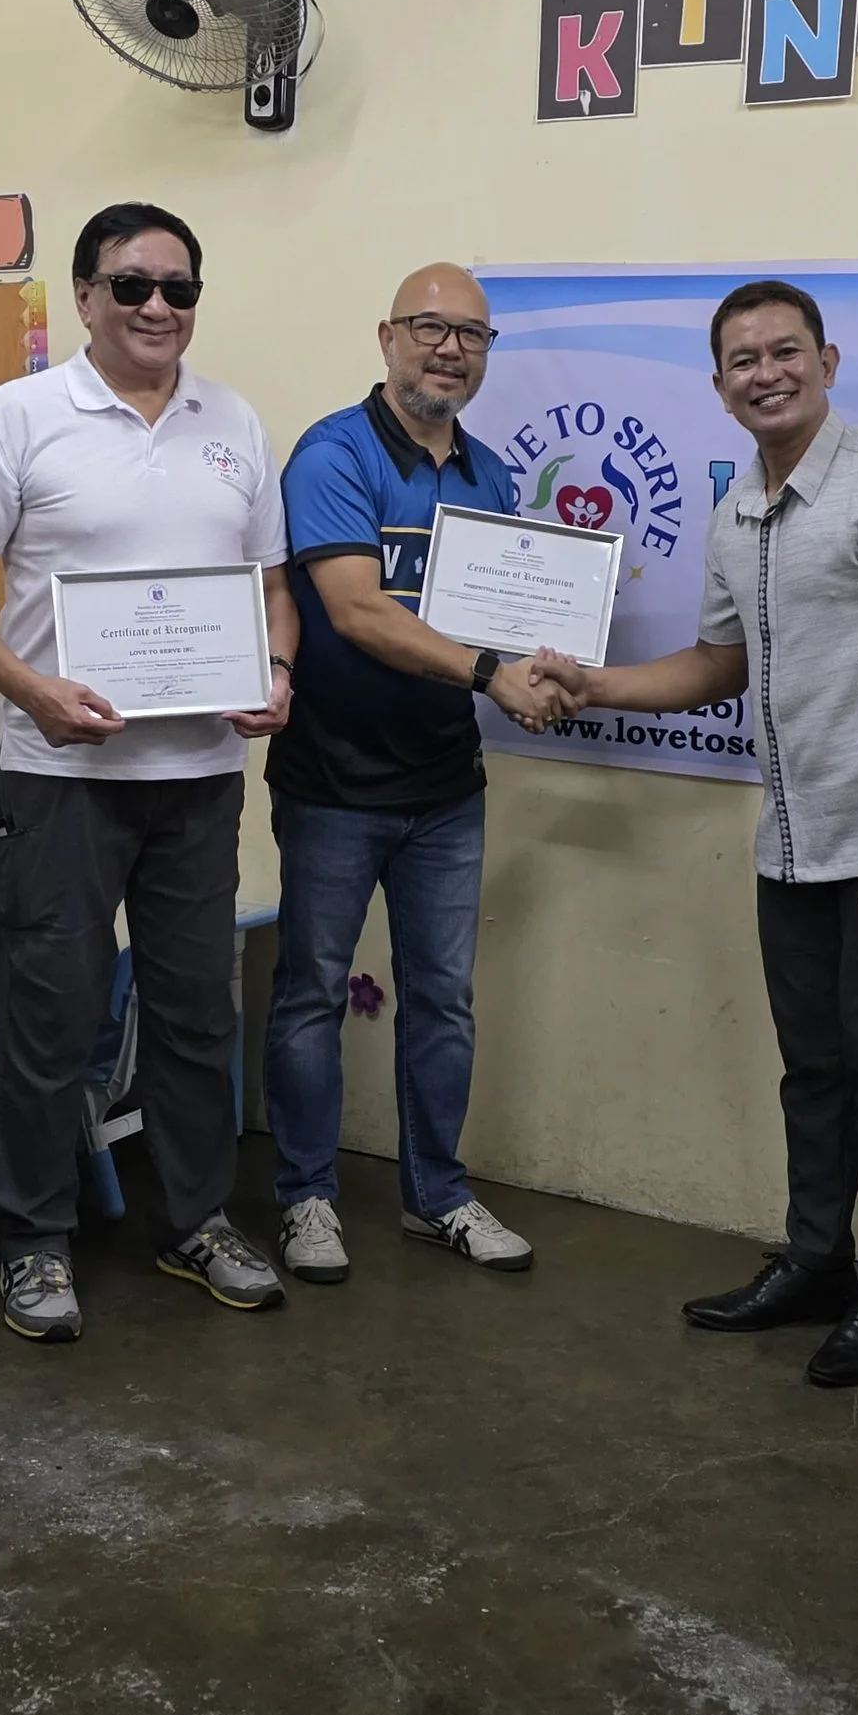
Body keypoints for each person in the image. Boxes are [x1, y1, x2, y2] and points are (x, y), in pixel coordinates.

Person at [544, 281, 858, 1388]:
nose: (764, 373)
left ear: (826, 362)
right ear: (718, 385)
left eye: (784, 351)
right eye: (742, 359)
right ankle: (817, 1262)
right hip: (795, 838)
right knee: (815, 1071)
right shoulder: (740, 504)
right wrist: (591, 684)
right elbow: (718, 663)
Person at [0, 204, 298, 1346]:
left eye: (178, 289)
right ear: (82, 297)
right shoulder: (19, 417)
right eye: (131, 286)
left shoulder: (234, 422)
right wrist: (32, 692)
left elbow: (269, 583)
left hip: (197, 773)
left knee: (194, 1017)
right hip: (62, 776)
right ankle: (34, 1242)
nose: (157, 309)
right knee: (52, 1018)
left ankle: (194, 1222)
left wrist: (276, 668)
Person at [262, 265, 565, 1281]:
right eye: (431, 328)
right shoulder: (332, 454)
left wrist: (548, 660)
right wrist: (493, 672)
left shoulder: (487, 477)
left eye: (472, 336)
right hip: (334, 785)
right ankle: (306, 1196)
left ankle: (437, 1195)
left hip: (445, 788)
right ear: (387, 336)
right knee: (309, 994)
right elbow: (353, 611)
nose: (450, 350)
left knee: (443, 998)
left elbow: (508, 618)